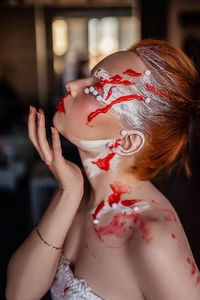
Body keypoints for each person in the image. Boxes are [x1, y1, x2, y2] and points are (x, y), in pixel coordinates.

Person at [6, 39, 200, 300]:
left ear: (127, 141)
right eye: (89, 79)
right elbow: (19, 294)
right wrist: (69, 191)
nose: (72, 86)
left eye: (96, 88)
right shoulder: (78, 191)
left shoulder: (155, 239)